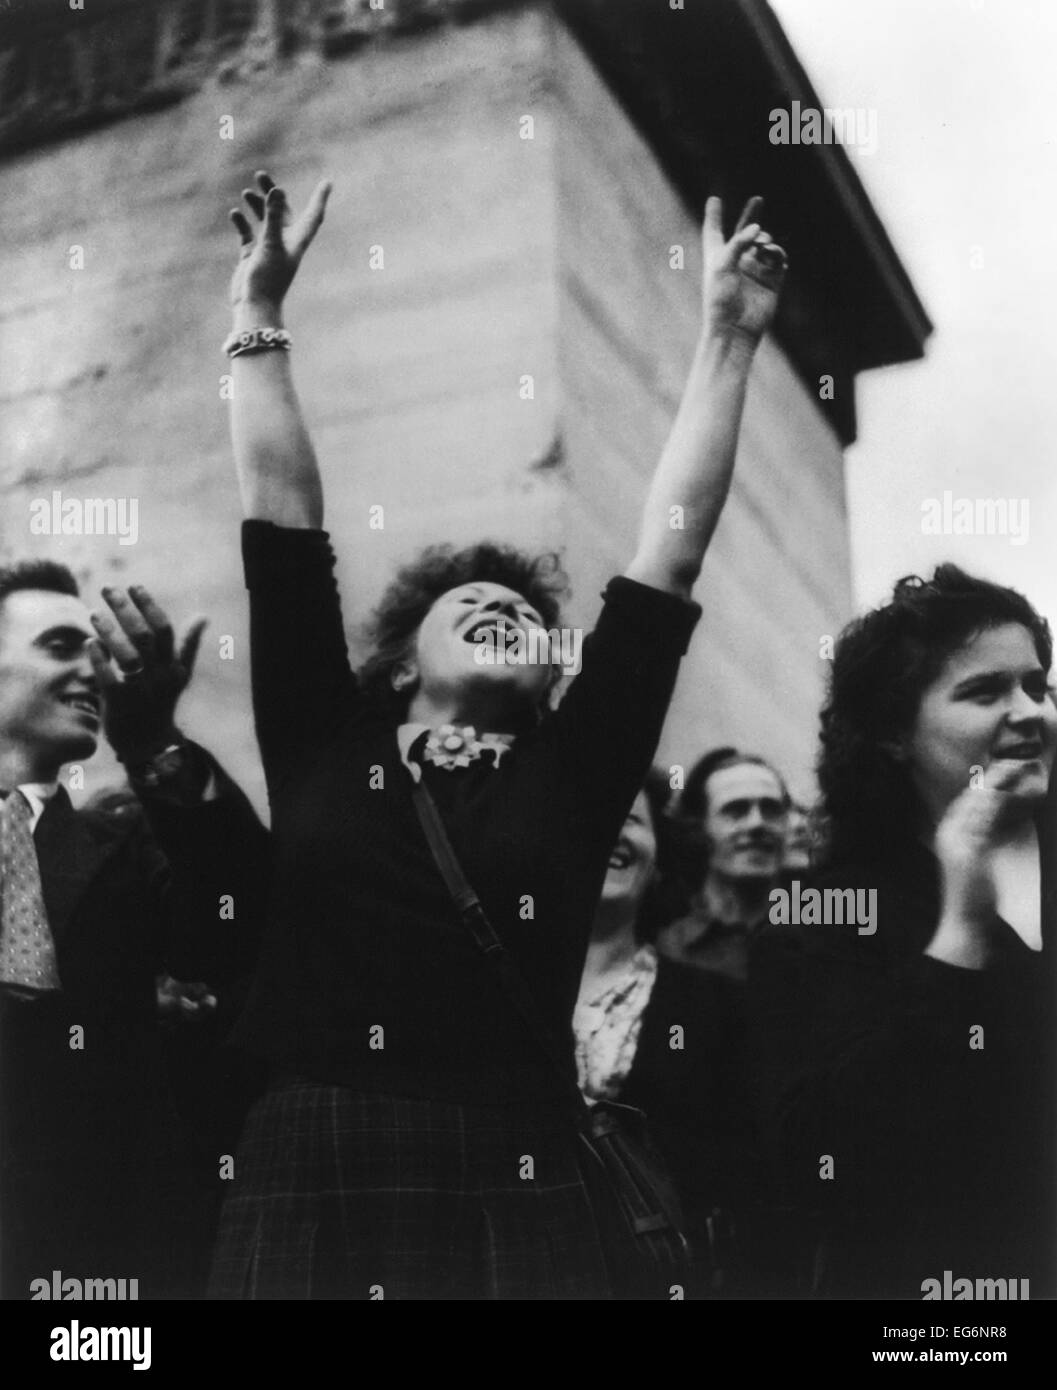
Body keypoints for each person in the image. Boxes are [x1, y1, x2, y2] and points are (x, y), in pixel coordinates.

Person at [208, 168, 787, 1299]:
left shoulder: (573, 774)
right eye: (467, 601)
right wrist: (256, 317)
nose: (504, 609)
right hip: (311, 1150)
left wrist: (728, 338)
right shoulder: (324, 737)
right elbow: (280, 515)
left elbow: (668, 551)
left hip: (514, 1164)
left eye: (525, 613)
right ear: (396, 661)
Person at [752, 565, 1057, 1299]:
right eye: (984, 692)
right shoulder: (818, 909)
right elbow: (824, 1158)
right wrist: (958, 933)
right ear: (892, 735)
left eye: (1037, 685)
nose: (1029, 712)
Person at [0, 563, 265, 1299]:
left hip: (92, 1277)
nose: (94, 671)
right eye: (60, 646)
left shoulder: (126, 840)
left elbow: (238, 929)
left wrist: (151, 744)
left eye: (97, 652)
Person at [658, 746, 791, 979]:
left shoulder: (821, 937)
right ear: (699, 828)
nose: (757, 823)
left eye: (771, 810)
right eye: (736, 810)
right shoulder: (665, 946)